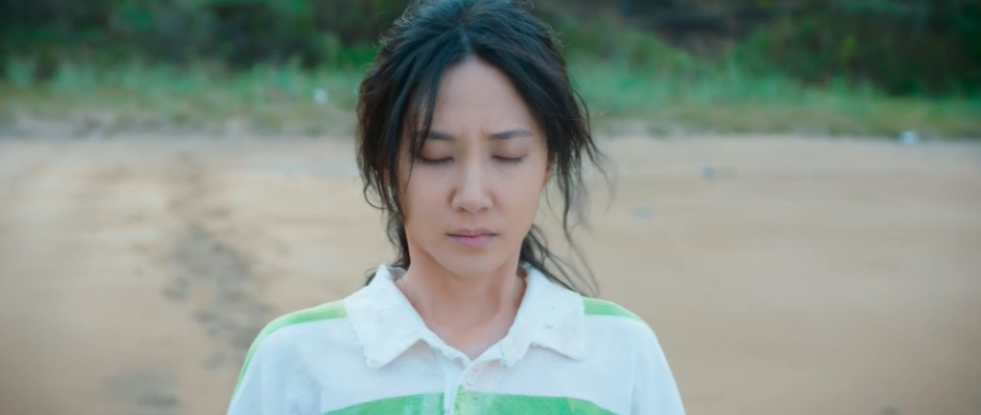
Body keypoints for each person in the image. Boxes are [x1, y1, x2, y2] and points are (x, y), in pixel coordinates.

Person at [226, 0, 685, 413]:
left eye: (507, 156)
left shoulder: (622, 355)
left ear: (549, 162)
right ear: (385, 165)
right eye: (435, 156)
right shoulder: (294, 358)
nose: (472, 197)